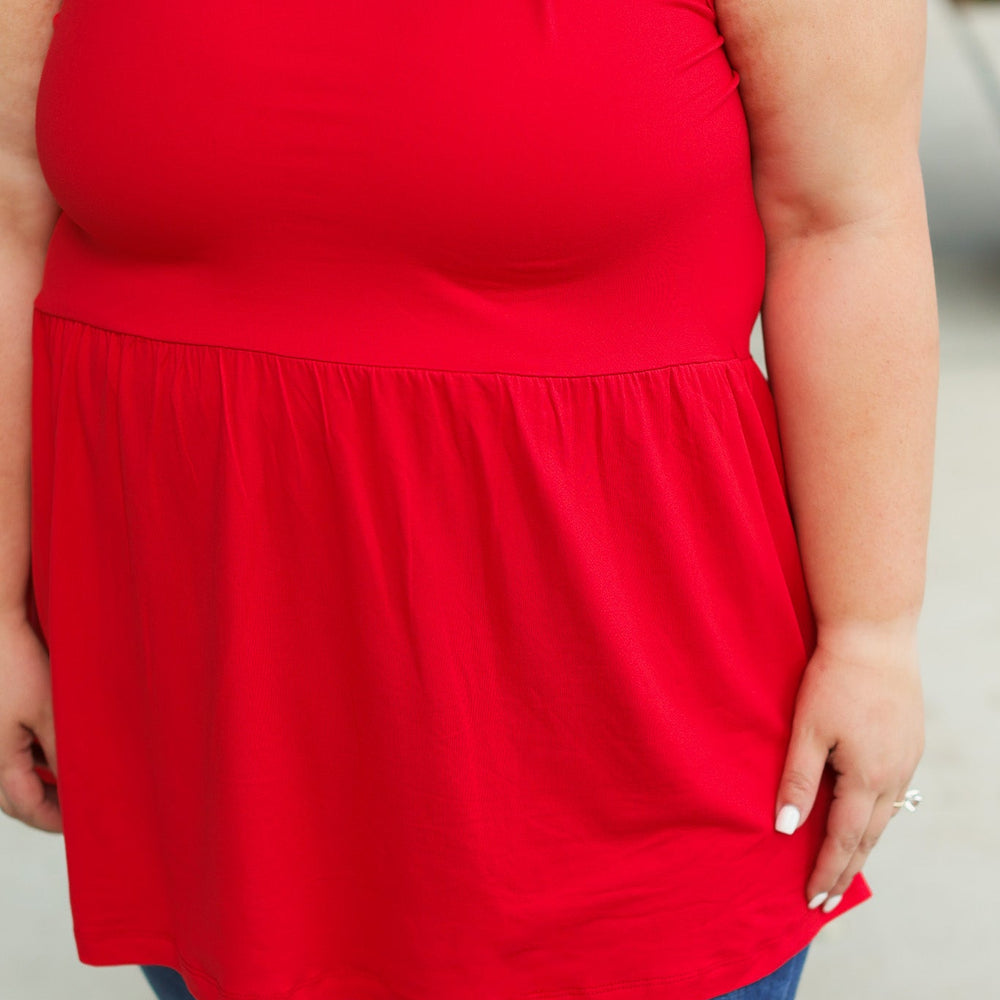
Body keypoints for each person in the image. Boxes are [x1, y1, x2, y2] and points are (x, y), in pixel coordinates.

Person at [0, 0, 937, 998]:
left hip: (614, 732)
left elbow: (846, 221)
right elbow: (11, 209)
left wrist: (870, 635)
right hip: (216, 734)